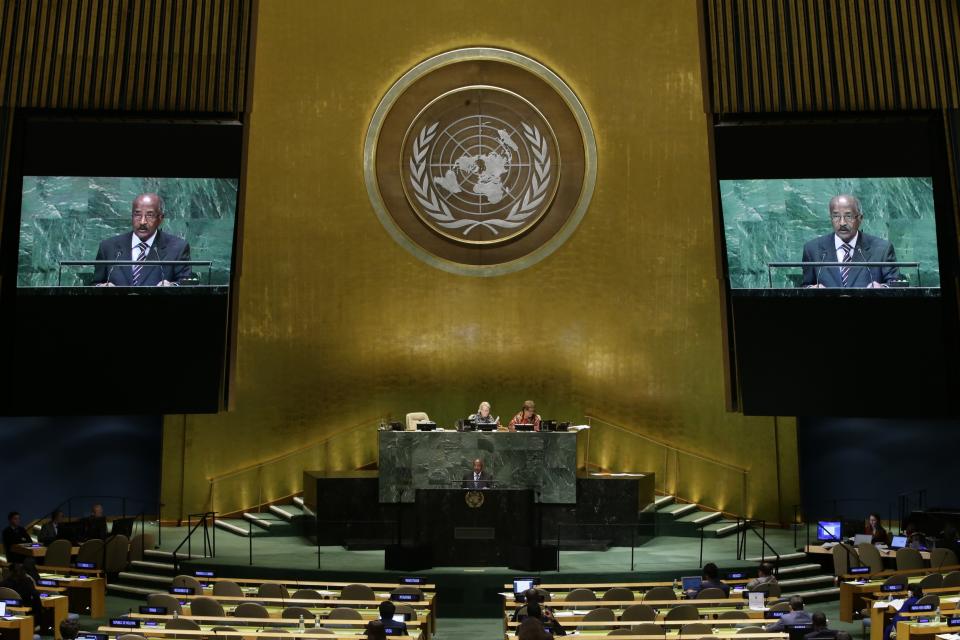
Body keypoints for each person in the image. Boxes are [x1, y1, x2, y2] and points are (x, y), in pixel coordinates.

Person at [91, 193, 192, 287]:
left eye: (149, 215)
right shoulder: (108, 247)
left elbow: (186, 285)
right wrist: (102, 287)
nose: (143, 221)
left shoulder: (178, 248)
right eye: (137, 215)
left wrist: (171, 287)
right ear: (132, 216)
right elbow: (94, 285)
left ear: (160, 218)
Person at [801, 194, 900, 288]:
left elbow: (895, 285)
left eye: (848, 216)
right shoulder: (813, 249)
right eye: (836, 216)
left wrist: (882, 288)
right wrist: (812, 288)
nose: (842, 223)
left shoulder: (882, 250)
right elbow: (804, 286)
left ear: (860, 218)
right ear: (830, 218)